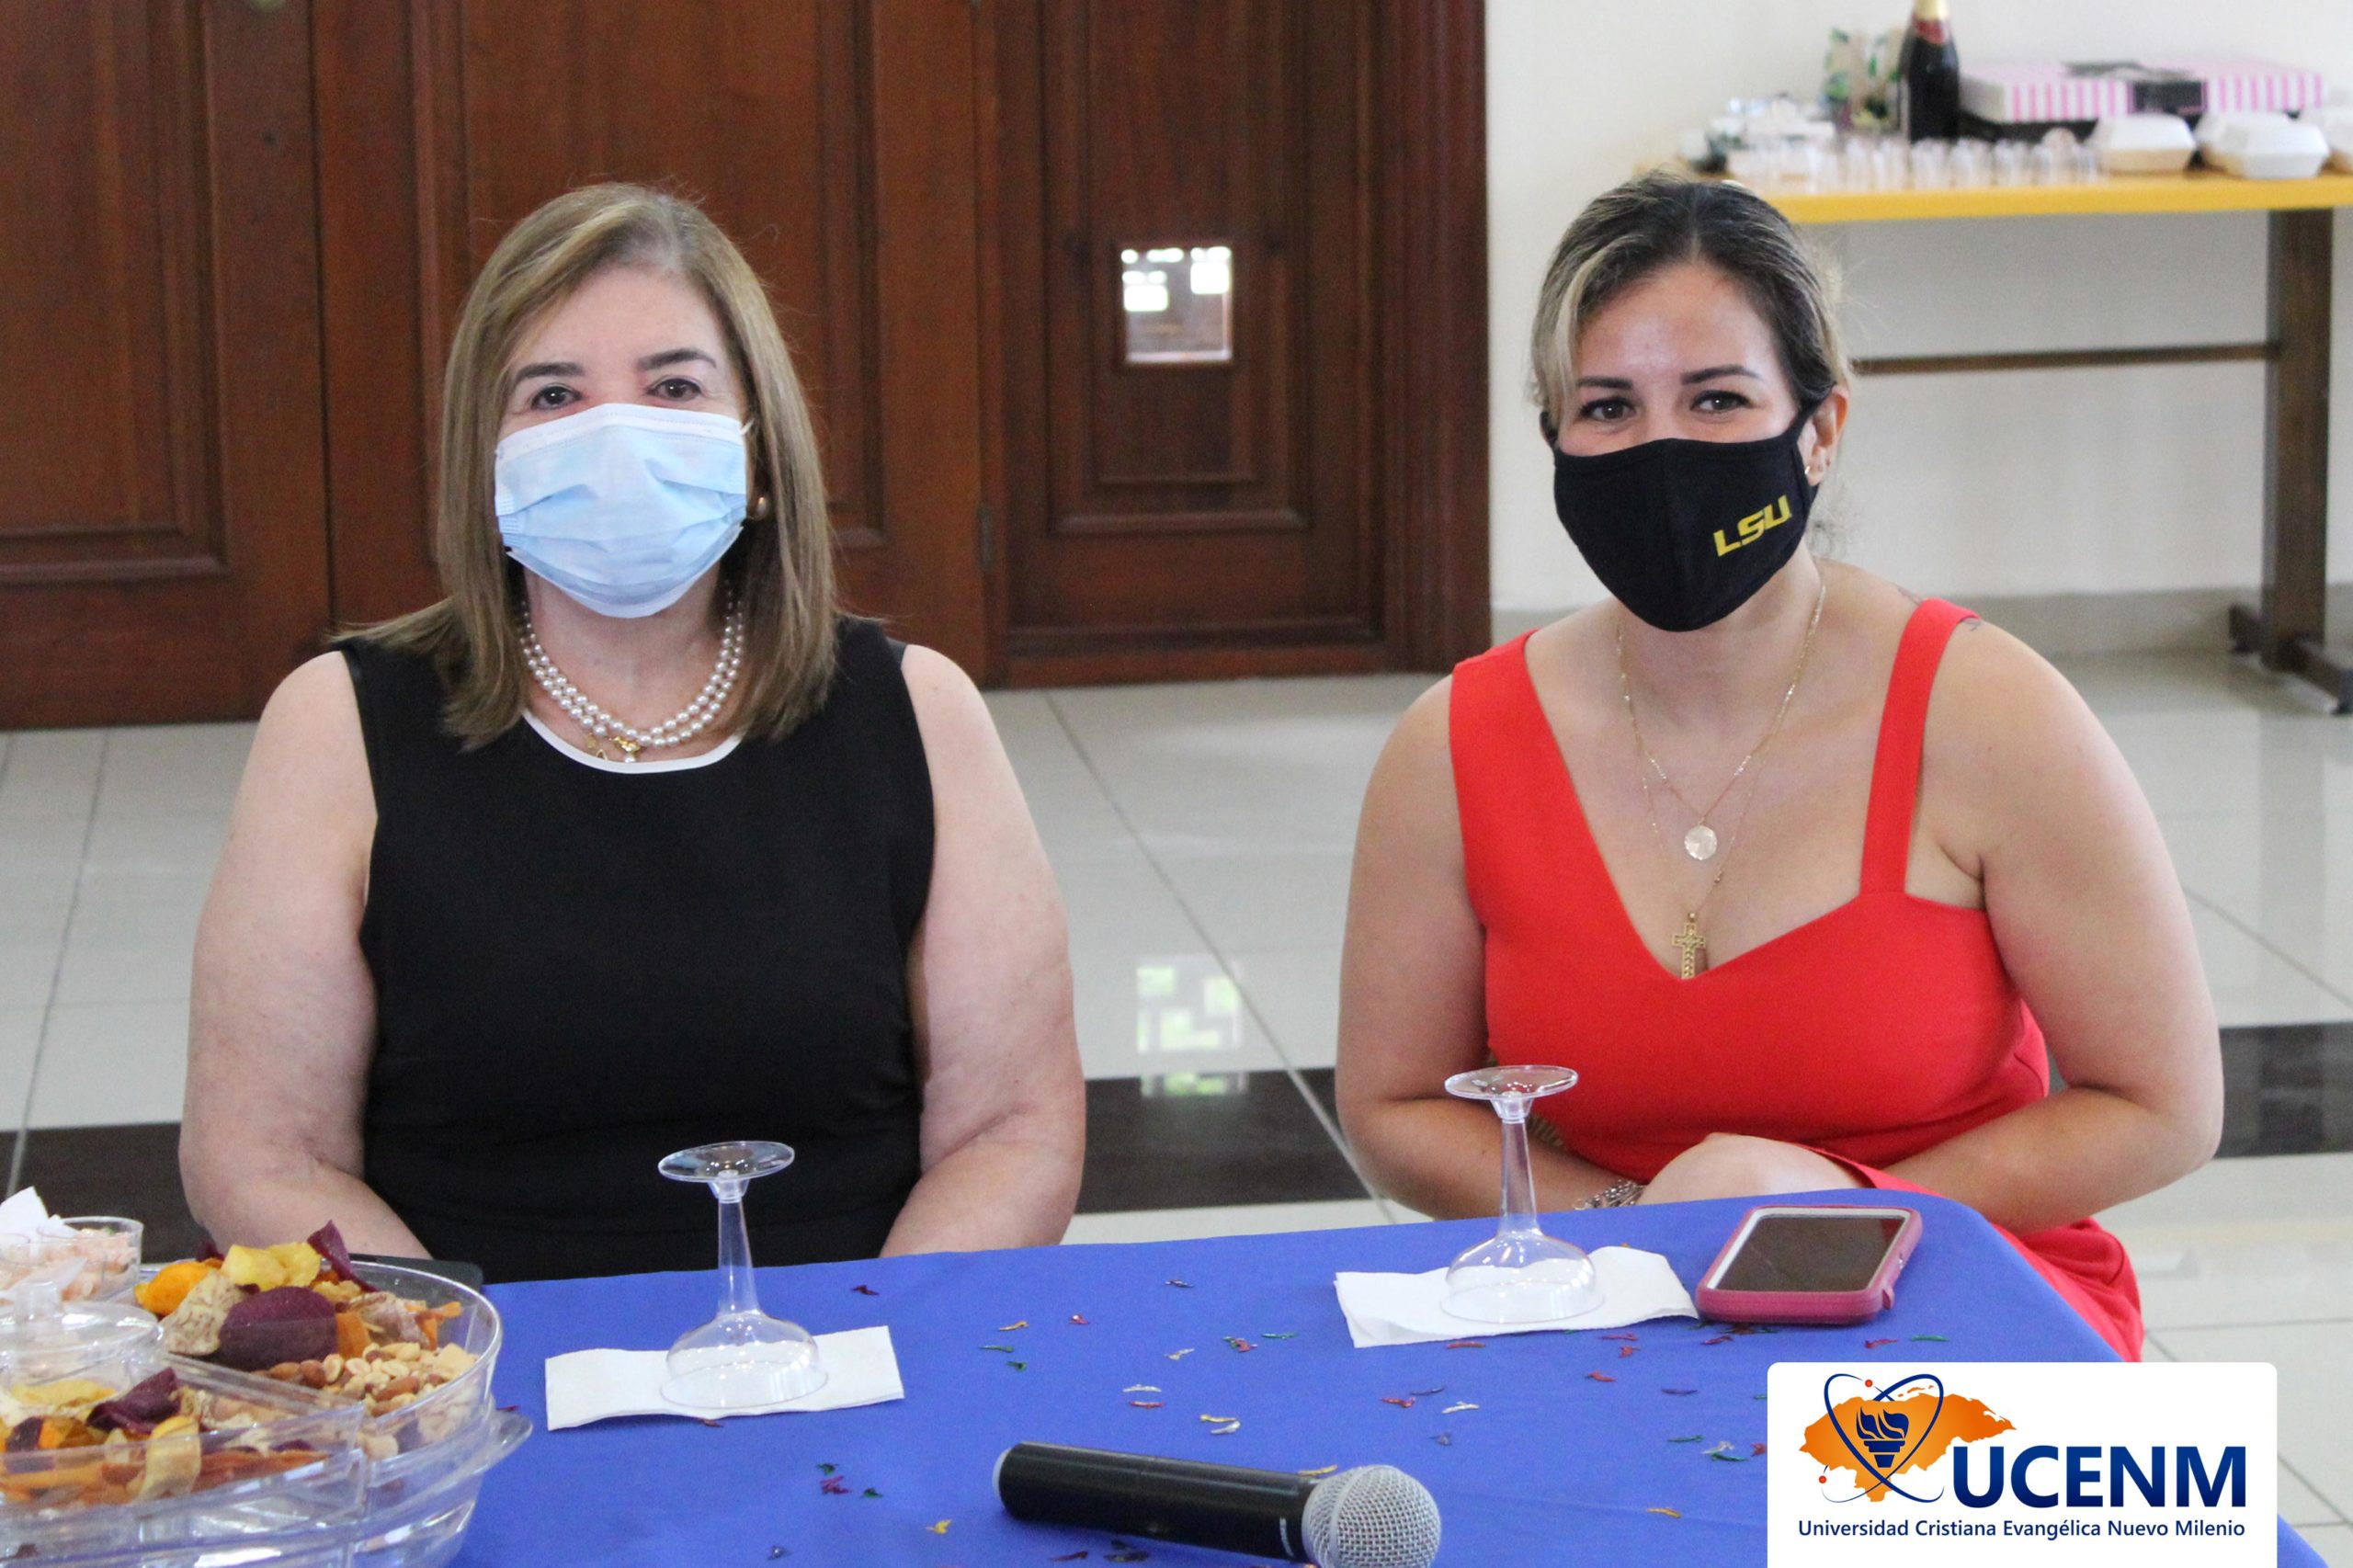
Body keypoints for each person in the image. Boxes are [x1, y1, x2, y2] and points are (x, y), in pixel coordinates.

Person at [1336, 172, 2220, 1358]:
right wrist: (1645, 1227)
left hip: (1958, 1276)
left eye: (1717, 399)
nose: (1661, 451)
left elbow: (2163, 1107)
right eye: (1608, 407)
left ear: (1820, 428)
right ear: (1554, 435)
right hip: (1614, 1290)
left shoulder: (1990, 713)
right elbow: (1392, 1108)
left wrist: (1827, 1213)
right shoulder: (1454, 743)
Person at [182, 184, 1085, 1282]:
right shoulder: (338, 723)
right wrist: (454, 1349)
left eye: (673, 386)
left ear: (757, 447)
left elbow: (1012, 1131)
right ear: (484, 454)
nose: (614, 434)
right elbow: (265, 1154)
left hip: (854, 1333)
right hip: (468, 1342)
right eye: (554, 393)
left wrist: (864, 1337)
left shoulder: (917, 711)